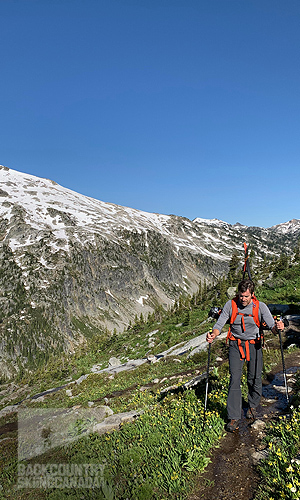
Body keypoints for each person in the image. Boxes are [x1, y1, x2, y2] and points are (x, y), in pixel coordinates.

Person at [206, 279, 284, 432]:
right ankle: (233, 417)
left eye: (246, 296)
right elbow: (219, 324)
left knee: (254, 377)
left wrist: (278, 327)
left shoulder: (260, 307)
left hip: (254, 345)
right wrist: (213, 335)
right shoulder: (231, 305)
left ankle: (253, 406)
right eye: (241, 296)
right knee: (234, 378)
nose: (243, 299)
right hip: (236, 345)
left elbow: (272, 327)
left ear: (252, 295)